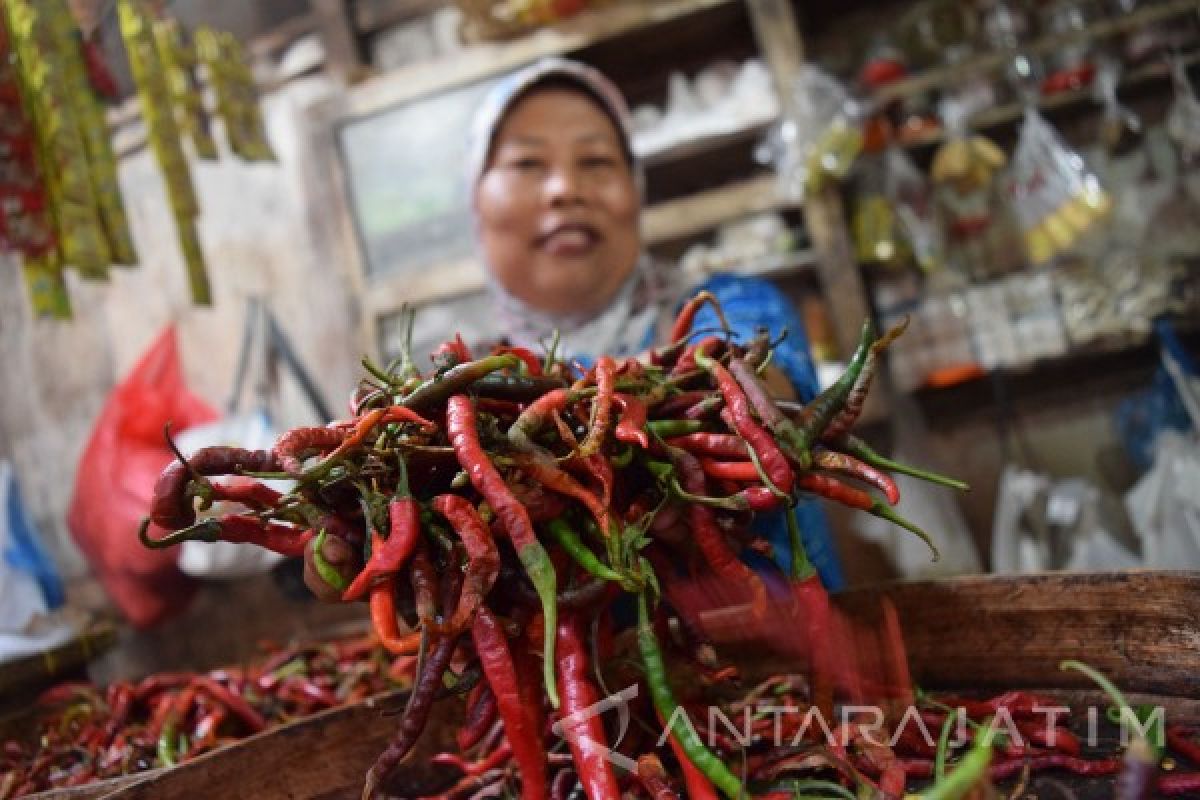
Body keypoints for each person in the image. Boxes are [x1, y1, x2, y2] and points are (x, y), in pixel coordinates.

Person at [305, 57, 845, 600]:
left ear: (635, 193)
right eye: (528, 164)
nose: (565, 188)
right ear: (477, 203)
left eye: (596, 161)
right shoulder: (459, 386)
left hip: (789, 662)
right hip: (574, 686)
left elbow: (759, 404)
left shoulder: (730, 308)